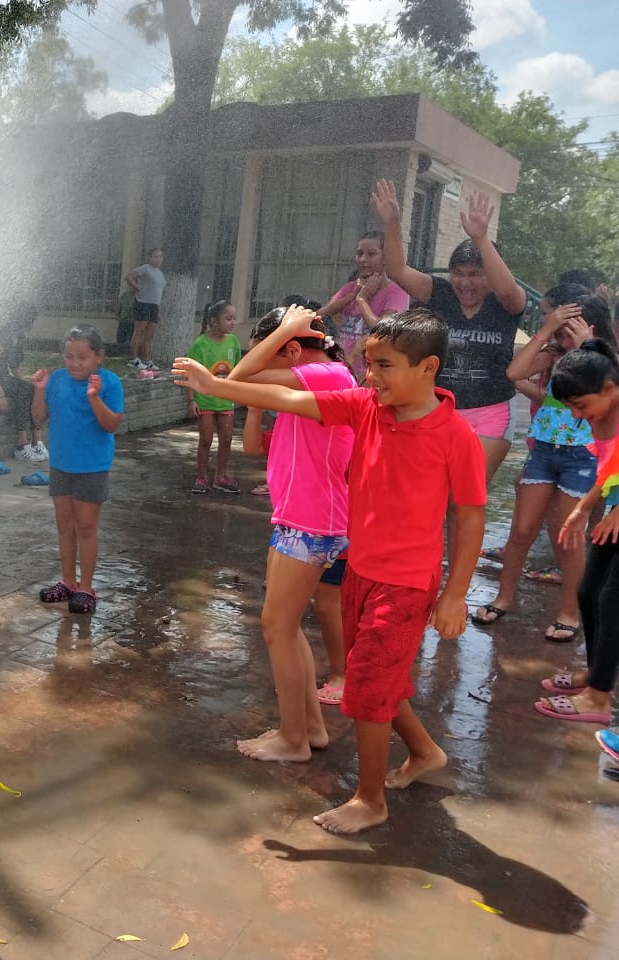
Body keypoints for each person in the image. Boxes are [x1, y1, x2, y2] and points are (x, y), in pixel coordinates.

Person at [175, 308, 486, 835]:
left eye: (385, 365)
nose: (371, 375)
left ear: (428, 367)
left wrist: (456, 594)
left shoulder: (455, 435)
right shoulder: (365, 407)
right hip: (361, 569)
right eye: (367, 362)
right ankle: (426, 752)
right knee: (380, 677)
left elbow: (471, 515)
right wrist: (214, 387)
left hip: (406, 582)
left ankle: (370, 800)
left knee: (364, 689)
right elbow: (286, 399)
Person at [228, 307, 355, 762]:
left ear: (295, 348)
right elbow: (252, 389)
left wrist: (284, 331)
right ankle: (309, 730)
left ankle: (292, 739)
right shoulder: (320, 377)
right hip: (300, 518)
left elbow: (241, 376)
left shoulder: (325, 374)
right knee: (285, 628)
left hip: (313, 520)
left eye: (276, 350)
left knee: (276, 626)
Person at [471, 288, 613, 640]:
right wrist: (546, 331)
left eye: (572, 329)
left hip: (582, 456)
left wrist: (586, 347)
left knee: (567, 538)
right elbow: (514, 372)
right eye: (562, 330)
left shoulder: (606, 360)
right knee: (521, 531)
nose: (565, 338)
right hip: (545, 451)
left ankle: (570, 612)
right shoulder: (553, 355)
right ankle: (503, 597)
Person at [371, 179, 526, 485]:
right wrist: (392, 223)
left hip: (491, 412)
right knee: (428, 491)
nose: (465, 283)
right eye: (458, 273)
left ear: (490, 275)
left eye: (475, 274)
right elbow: (398, 271)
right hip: (437, 408)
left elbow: (509, 291)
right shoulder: (439, 293)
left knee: (466, 495)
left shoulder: (505, 303)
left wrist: (481, 240)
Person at [536, 341, 619, 724]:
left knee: (612, 601)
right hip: (613, 514)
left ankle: (599, 698)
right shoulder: (602, 416)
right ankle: (597, 676)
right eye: (569, 406)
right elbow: (608, 469)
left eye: (580, 405)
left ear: (609, 387)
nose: (575, 415)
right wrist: (583, 510)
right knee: (588, 591)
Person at [31, 324, 125, 616]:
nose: (74, 363)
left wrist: (94, 397)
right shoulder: (57, 379)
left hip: (92, 467)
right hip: (61, 464)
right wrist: (39, 390)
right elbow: (38, 418)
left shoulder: (109, 382)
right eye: (69, 356)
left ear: (99, 356)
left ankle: (86, 588)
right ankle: (68, 582)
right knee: (64, 525)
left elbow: (111, 425)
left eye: (82, 357)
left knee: (85, 527)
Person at [316, 231, 411, 380]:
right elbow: (319, 316)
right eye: (359, 254)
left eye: (371, 254)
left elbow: (383, 330)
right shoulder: (351, 288)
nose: (363, 259)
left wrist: (362, 300)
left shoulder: (397, 292)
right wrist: (352, 296)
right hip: (343, 368)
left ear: (386, 257)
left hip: (371, 376)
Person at [0, 303, 46, 462]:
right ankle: (21, 446)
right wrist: (1, 395)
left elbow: (14, 366)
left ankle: (37, 443)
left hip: (4, 378)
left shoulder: (18, 337)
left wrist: (30, 383)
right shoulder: (4, 335)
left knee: (33, 389)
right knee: (24, 390)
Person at [187, 299, 243, 494]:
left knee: (227, 439)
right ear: (214, 321)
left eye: (234, 319)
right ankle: (202, 477)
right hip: (205, 400)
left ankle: (221, 476)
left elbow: (237, 369)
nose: (233, 323)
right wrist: (192, 399)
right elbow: (191, 373)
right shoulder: (200, 344)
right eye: (228, 318)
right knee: (206, 439)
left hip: (225, 399)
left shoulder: (234, 342)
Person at [124, 247, 166, 370]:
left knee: (150, 335)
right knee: (139, 331)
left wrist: (158, 310)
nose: (158, 259)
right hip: (143, 303)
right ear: (149, 257)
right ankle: (133, 359)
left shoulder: (160, 274)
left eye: (160, 257)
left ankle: (146, 360)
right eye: (155, 256)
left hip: (154, 305)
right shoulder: (145, 269)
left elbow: (158, 292)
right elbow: (129, 277)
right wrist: (137, 288)